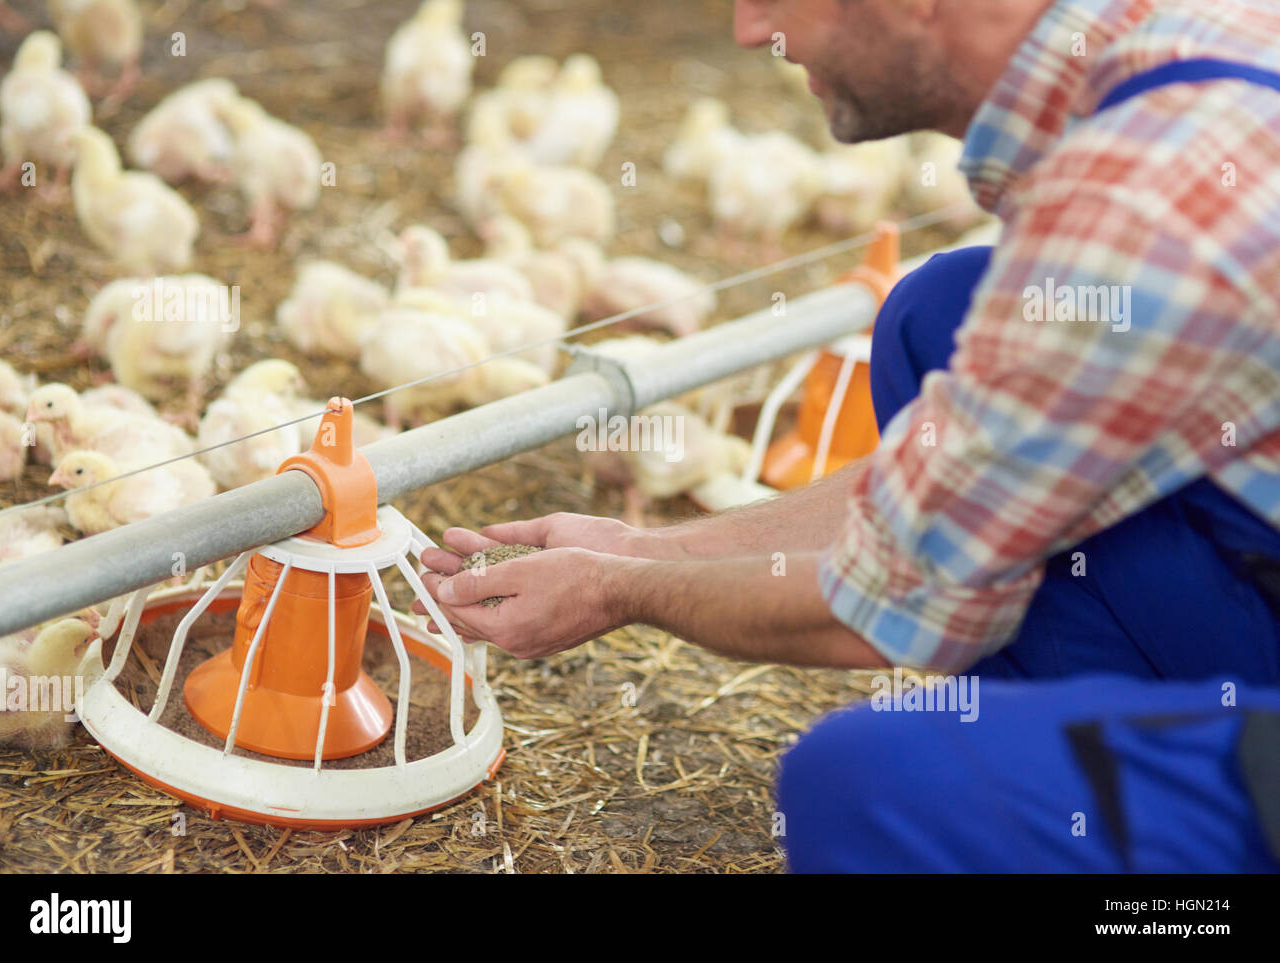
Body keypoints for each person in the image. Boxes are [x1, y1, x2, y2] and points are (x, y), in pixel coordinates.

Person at [414, 0, 1280, 872]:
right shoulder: (1183, 47)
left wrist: (619, 590)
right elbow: (952, 486)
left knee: (867, 784)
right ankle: (1092, 763)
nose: (751, 30)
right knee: (936, 311)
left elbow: (881, 608)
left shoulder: (1133, 209)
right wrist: (644, 548)